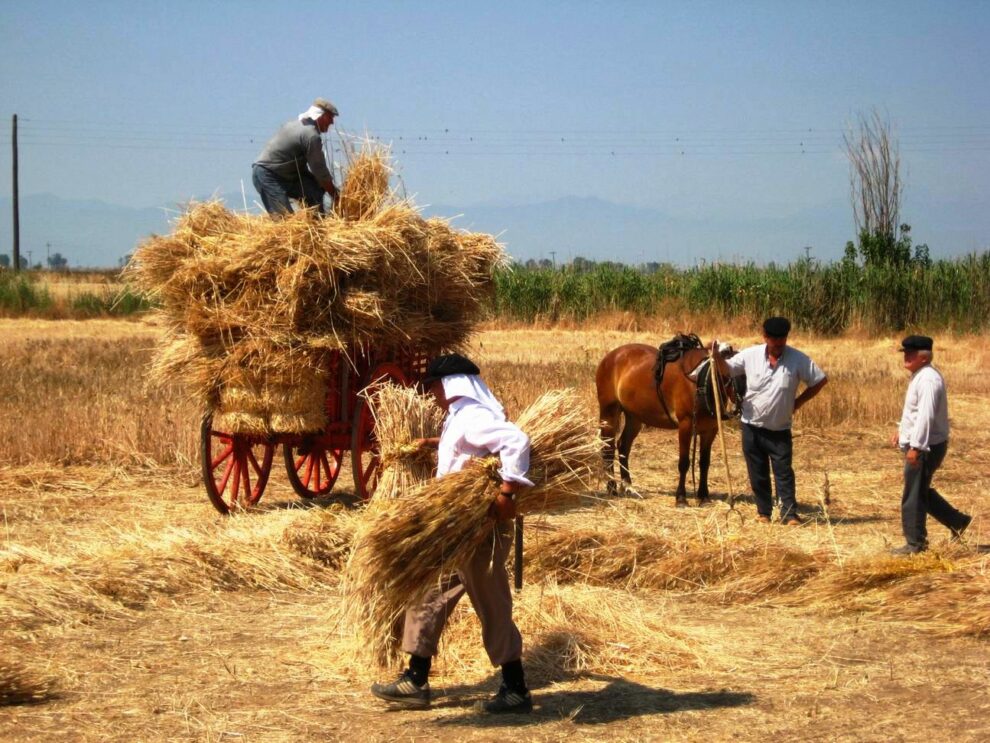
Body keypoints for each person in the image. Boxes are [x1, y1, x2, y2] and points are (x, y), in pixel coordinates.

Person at [370, 353, 535, 714]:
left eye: (434, 386)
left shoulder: (473, 417)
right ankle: (415, 679)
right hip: (455, 528)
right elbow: (468, 451)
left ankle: (516, 687)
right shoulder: (461, 417)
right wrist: (434, 444)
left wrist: (507, 492)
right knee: (427, 594)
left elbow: (517, 442)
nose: (432, 394)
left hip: (479, 529)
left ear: (450, 384)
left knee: (492, 603)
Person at [711, 317, 828, 525]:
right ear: (765, 337)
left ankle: (789, 514)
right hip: (751, 426)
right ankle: (763, 513)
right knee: (758, 473)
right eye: (773, 339)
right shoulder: (750, 355)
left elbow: (819, 380)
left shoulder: (798, 360)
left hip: (779, 429)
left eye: (782, 339)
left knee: (783, 472)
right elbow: (725, 369)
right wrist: (715, 356)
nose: (778, 343)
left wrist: (798, 402)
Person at [890, 335, 971, 555]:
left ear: (924, 357)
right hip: (925, 444)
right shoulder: (921, 375)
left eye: (911, 354)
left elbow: (926, 416)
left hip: (926, 447)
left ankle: (915, 544)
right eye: (905, 353)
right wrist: (902, 430)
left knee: (913, 495)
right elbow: (914, 413)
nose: (906, 357)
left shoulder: (928, 380)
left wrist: (916, 446)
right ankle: (957, 521)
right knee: (920, 490)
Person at [252, 98, 339, 216]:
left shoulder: (296, 125)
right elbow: (319, 170)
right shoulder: (311, 136)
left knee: (315, 191)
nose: (332, 122)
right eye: (330, 118)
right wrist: (335, 195)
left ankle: (317, 226)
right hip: (268, 175)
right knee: (285, 219)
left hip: (287, 175)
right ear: (321, 116)